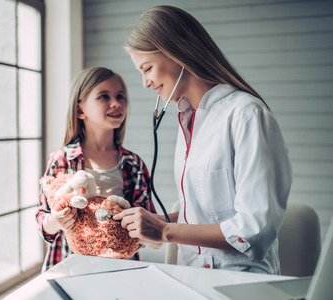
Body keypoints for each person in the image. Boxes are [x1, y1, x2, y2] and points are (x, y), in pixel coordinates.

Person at [114, 5, 292, 274]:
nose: (145, 83)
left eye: (147, 68)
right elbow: (205, 213)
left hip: (242, 282)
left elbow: (253, 229)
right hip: (192, 277)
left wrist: (165, 231)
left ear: (176, 52)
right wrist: (157, 222)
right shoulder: (190, 118)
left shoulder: (247, 115)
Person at [35, 67, 156, 272]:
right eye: (104, 96)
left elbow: (147, 223)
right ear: (80, 110)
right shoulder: (61, 160)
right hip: (68, 269)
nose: (116, 103)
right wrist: (56, 221)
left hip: (120, 270)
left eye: (120, 96)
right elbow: (43, 223)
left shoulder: (134, 164)